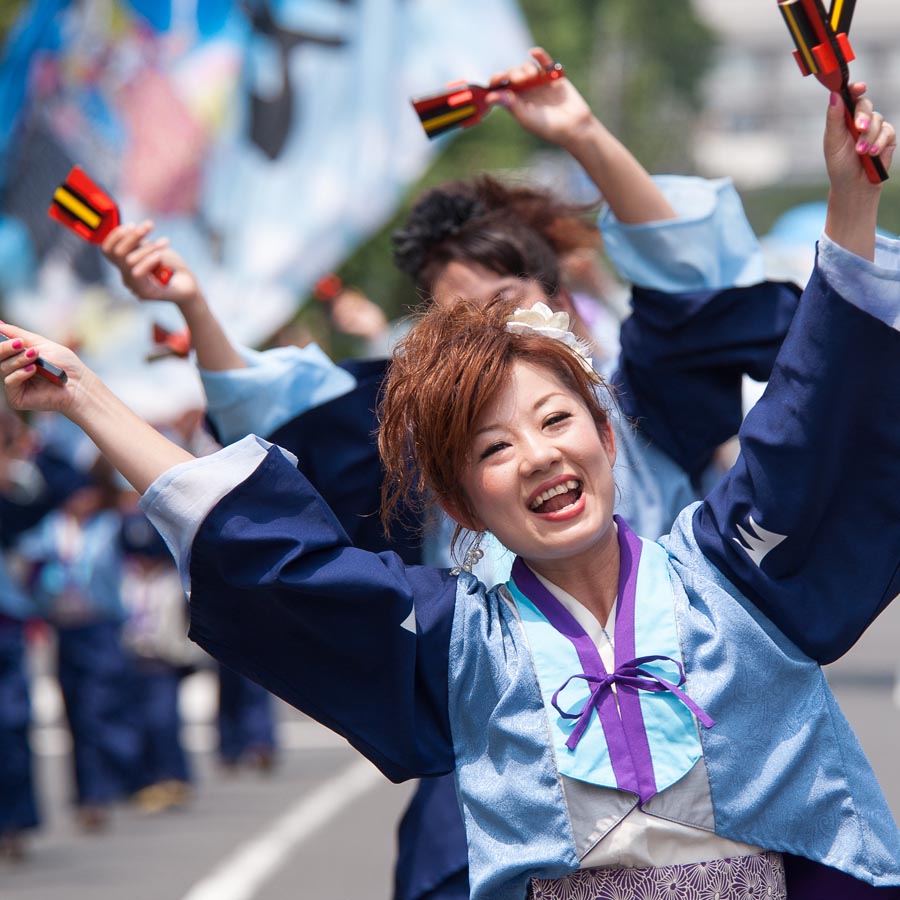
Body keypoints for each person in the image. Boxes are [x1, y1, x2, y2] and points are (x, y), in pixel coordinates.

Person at [1, 85, 897, 898]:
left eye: (556, 422)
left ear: (604, 424)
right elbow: (270, 550)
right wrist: (84, 393)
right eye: (492, 447)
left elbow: (813, 410)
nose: (540, 456)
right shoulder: (459, 642)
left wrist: (851, 197)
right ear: (454, 497)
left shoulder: (730, 569)